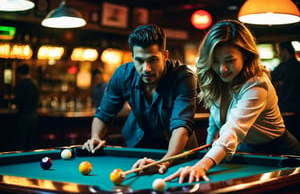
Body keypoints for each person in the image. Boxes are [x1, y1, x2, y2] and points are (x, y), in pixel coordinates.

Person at [164, 20, 300, 184]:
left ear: (245, 55)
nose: (222, 68)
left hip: (280, 151)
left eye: (229, 60)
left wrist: (204, 164)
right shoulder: (218, 81)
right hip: (244, 148)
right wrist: (204, 155)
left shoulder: (257, 84)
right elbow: (214, 125)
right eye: (215, 61)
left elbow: (233, 130)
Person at [83, 24, 199, 174]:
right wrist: (95, 137)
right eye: (140, 60)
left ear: (165, 56)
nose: (146, 68)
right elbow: (103, 114)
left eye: (153, 60)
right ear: (132, 57)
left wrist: (164, 163)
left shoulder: (184, 78)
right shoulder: (123, 75)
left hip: (177, 154)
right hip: (139, 147)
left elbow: (180, 127)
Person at [271, 41, 300, 142]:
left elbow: (270, 78)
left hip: (287, 111)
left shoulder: (284, 66)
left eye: (279, 51)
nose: (278, 55)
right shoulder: (298, 65)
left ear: (284, 51)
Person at [15, 64, 39, 151]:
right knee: (31, 142)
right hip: (34, 116)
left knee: (23, 142)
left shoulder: (22, 84)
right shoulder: (35, 84)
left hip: (25, 116)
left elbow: (19, 101)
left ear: (20, 74)